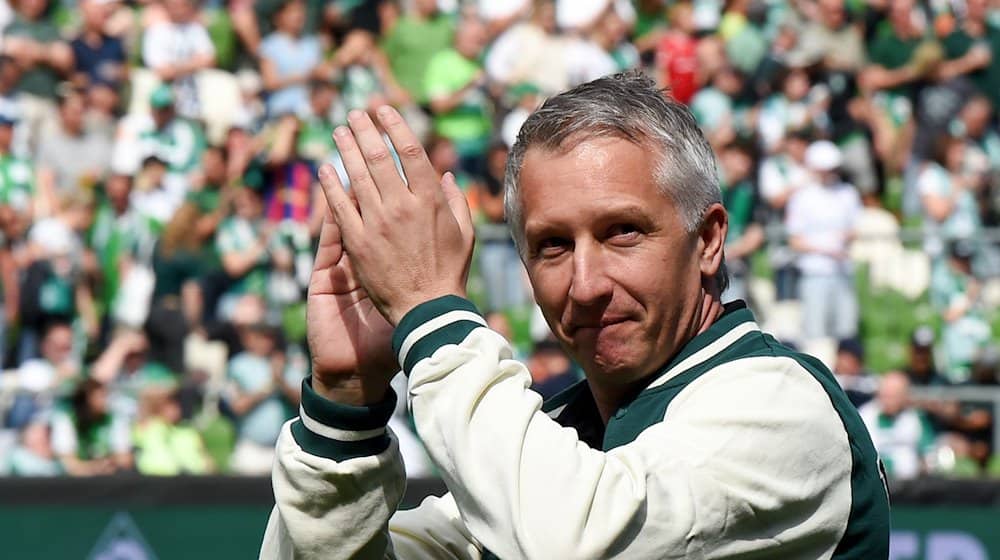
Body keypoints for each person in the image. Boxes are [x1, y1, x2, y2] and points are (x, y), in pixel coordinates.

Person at [260, 71, 889, 558]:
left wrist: (429, 313)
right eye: (553, 246)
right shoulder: (549, 445)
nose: (585, 286)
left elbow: (574, 543)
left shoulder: (782, 406)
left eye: (622, 233)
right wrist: (344, 405)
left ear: (708, 240)